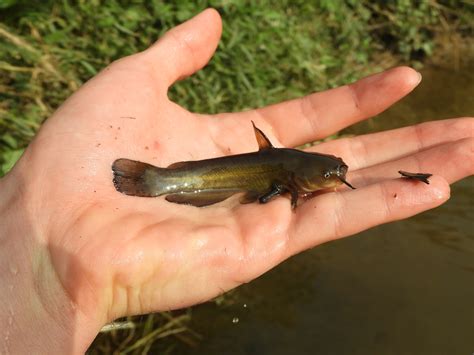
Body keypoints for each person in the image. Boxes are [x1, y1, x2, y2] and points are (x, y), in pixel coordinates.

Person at [0, 8, 472, 353]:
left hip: (243, 172)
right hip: (208, 176)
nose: (336, 177)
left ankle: (162, 183)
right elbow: (277, 181)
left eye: (334, 175)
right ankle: (159, 182)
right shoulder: (289, 175)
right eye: (329, 174)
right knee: (177, 181)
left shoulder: (294, 171)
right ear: (298, 178)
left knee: (190, 181)